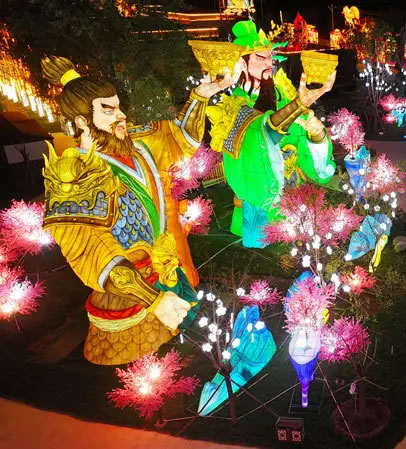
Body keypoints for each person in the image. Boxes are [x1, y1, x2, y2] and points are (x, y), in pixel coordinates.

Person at [39, 55, 229, 365]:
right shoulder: (74, 178)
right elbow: (94, 253)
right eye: (108, 110)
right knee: (140, 369)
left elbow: (179, 138)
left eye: (119, 107)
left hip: (165, 273)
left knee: (176, 355)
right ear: (81, 122)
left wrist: (200, 96)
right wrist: (153, 300)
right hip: (127, 294)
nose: (121, 115)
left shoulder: (138, 146)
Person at [206, 20, 337, 248]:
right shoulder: (231, 108)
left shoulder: (284, 95)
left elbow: (301, 141)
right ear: (242, 63)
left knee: (301, 249)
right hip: (259, 208)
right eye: (260, 58)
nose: (269, 63)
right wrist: (297, 106)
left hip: (295, 203)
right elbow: (260, 133)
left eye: (270, 57)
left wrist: (316, 135)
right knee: (265, 248)